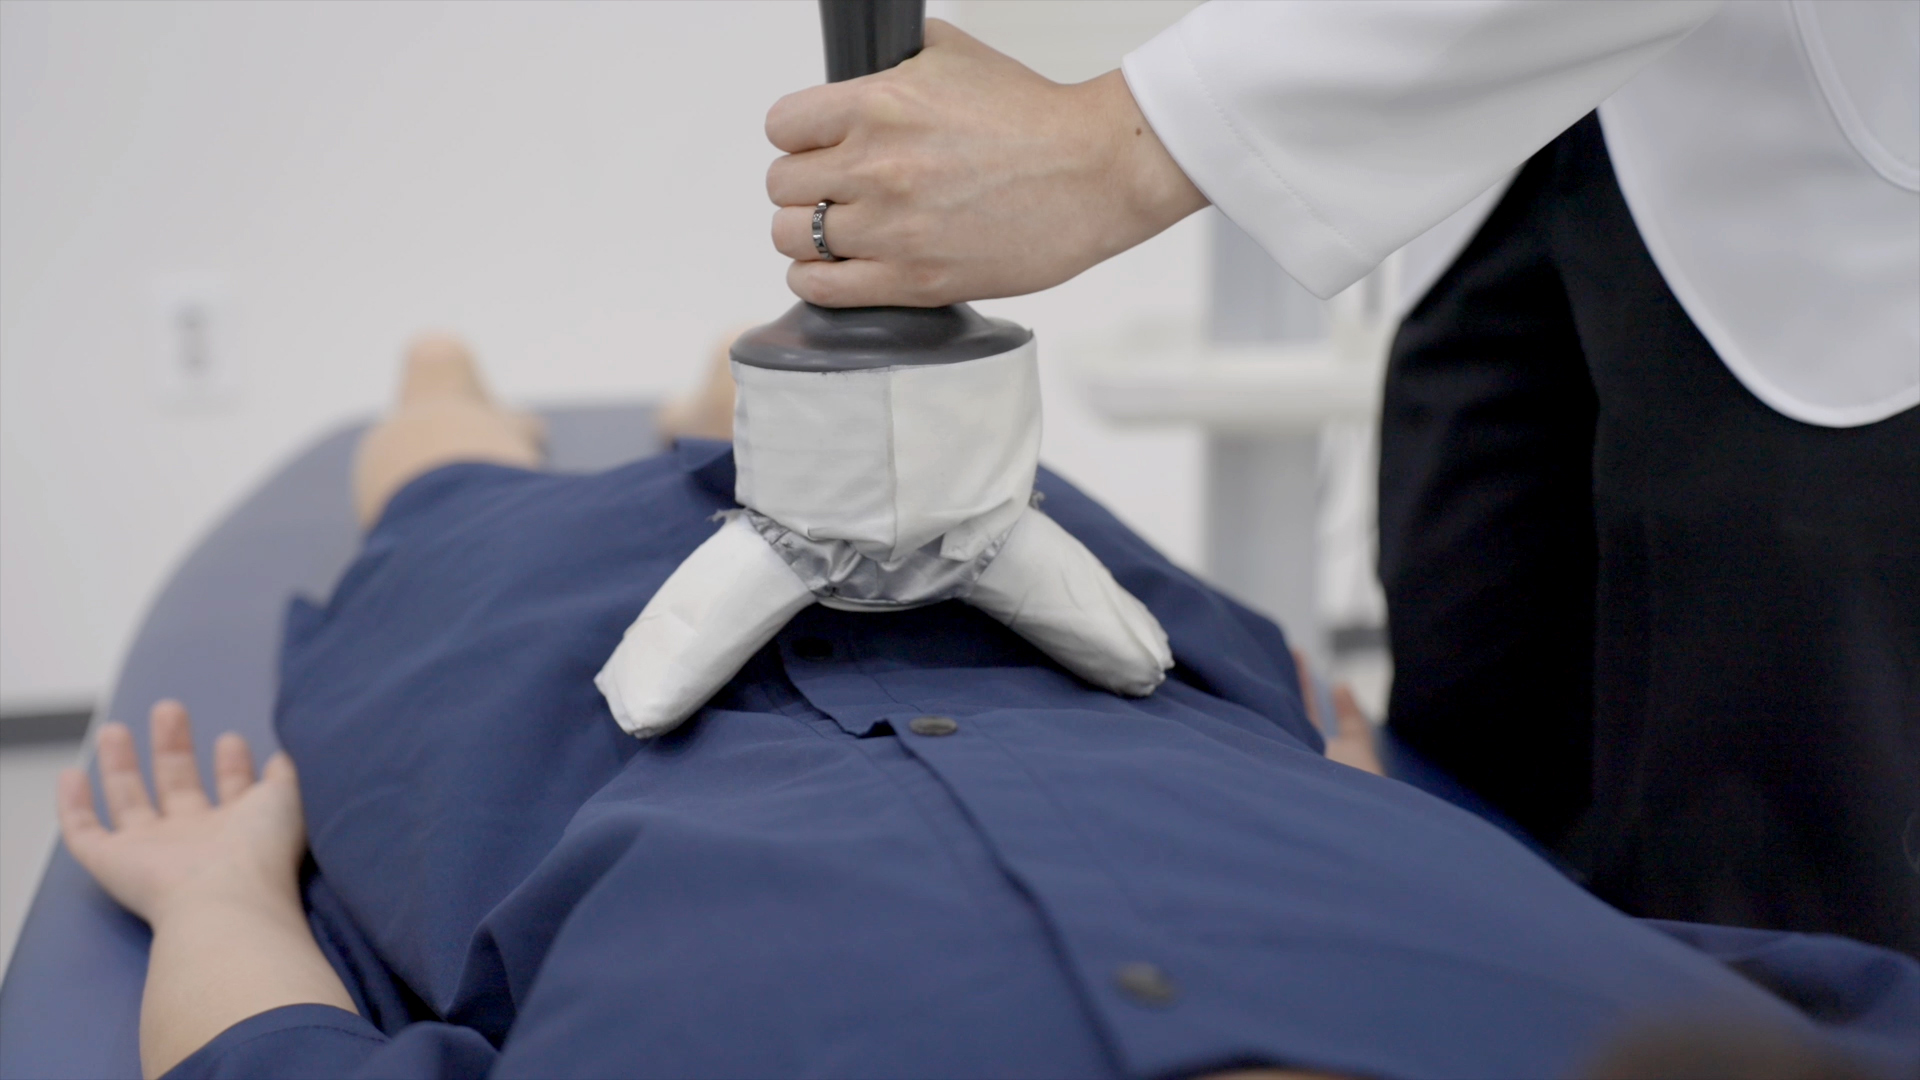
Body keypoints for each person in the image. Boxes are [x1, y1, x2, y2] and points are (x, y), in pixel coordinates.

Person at [57, 338, 1918, 1079]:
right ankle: (724, 403)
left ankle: (448, 379)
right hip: (1128, 681)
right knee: (843, 417)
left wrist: (221, 901)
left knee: (447, 482)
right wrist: (1386, 809)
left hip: (569, 721)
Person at [759, 2, 1919, 954]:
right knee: (1483, 822)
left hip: (1822, 170)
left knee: (1781, 915)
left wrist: (1123, 147)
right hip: (1505, 159)